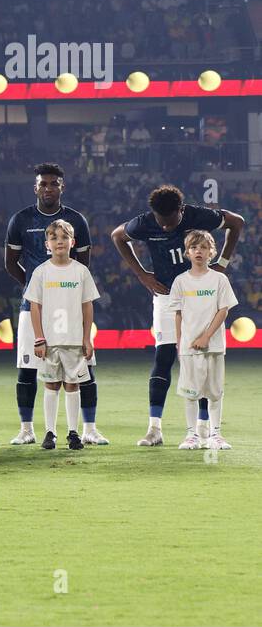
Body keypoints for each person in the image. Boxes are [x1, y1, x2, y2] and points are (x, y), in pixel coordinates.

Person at [110, 184, 244, 447]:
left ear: (181, 210)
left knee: (202, 362)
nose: (165, 228)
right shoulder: (145, 223)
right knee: (164, 358)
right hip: (167, 297)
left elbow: (237, 222)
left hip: (200, 299)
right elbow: (117, 236)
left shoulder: (199, 216)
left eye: (170, 222)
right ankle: (154, 429)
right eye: (161, 222)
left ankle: (204, 431)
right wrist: (141, 273)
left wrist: (223, 264)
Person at [5, 163, 103, 445]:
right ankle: (27, 429)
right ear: (36, 188)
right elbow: (11, 263)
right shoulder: (21, 219)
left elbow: (83, 262)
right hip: (33, 308)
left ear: (62, 187)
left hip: (71, 307)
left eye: (54, 184)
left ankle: (89, 429)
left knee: (84, 369)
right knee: (27, 369)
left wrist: (66, 287)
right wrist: (37, 289)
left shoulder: (77, 220)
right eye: (43, 184)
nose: (48, 188)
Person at [26, 220, 100, 452]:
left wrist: (87, 338)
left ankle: (73, 432)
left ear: (73, 242)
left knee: (72, 385)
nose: (59, 241)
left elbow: (87, 306)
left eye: (64, 237)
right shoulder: (41, 272)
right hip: (49, 341)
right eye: (54, 237)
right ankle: (50, 432)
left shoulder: (81, 271)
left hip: (74, 340)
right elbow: (34, 306)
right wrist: (38, 338)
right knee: (51, 385)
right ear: (47, 243)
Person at [169, 230, 238, 451]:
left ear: (211, 252)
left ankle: (216, 435)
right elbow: (178, 314)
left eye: (204, 247)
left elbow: (223, 310)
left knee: (215, 391)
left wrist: (207, 336)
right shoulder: (180, 281)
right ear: (187, 252)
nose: (199, 251)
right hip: (189, 346)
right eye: (194, 247)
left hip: (214, 345)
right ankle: (192, 435)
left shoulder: (219, 279)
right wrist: (181, 343)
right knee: (190, 391)